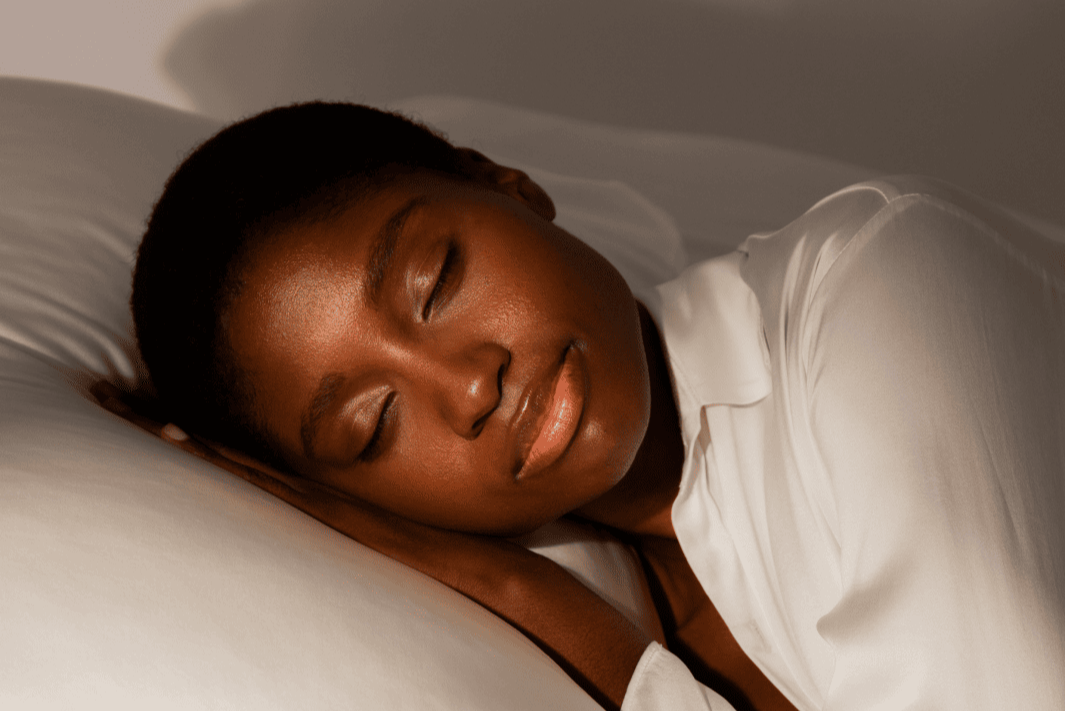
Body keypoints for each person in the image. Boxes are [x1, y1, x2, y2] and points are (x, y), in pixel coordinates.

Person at [98, 101, 1065, 711]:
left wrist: (572, 629)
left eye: (435, 281)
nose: (470, 385)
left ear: (509, 185)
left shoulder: (875, 281)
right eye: (373, 426)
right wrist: (539, 604)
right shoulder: (633, 596)